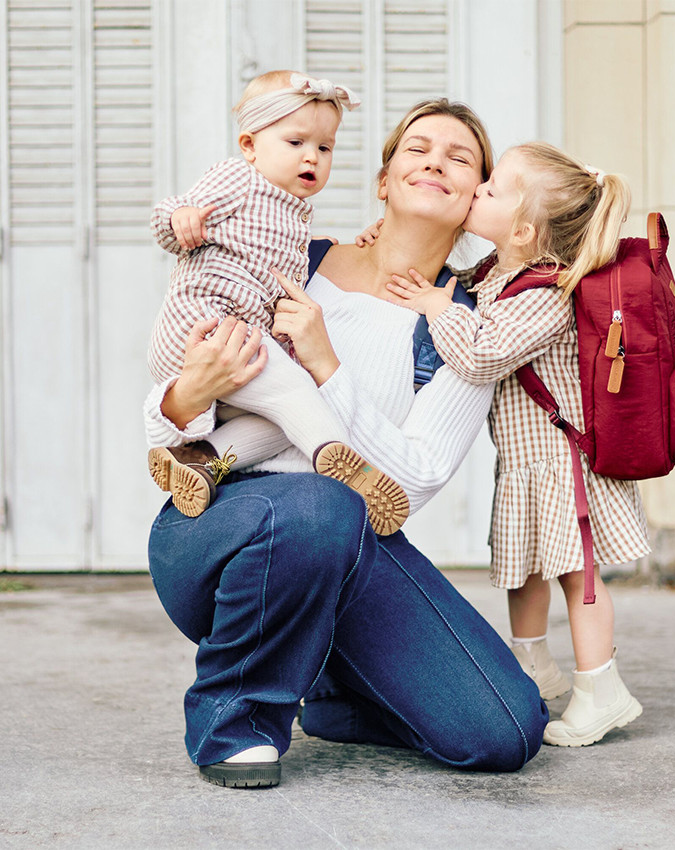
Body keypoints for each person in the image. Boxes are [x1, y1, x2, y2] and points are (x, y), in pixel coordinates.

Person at [144, 99, 549, 788]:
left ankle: (329, 684)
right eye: (417, 148)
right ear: (385, 179)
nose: (435, 162)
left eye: (460, 158)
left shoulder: (460, 327)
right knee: (317, 504)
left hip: (355, 542)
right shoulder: (289, 259)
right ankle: (233, 723)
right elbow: (161, 425)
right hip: (220, 530)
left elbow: (414, 482)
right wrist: (189, 392)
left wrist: (326, 364)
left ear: (476, 199)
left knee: (506, 731)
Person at [386, 142, 650, 747]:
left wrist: (433, 305)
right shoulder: (497, 274)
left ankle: (601, 689)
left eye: (493, 189)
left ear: (526, 230)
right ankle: (533, 663)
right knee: (522, 568)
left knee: (577, 578)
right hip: (526, 464)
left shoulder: (545, 295)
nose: (477, 188)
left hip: (566, 466)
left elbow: (480, 356)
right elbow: (463, 290)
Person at [146, 69, 408, 535]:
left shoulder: (292, 211)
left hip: (235, 338)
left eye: (324, 148)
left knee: (280, 419)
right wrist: (181, 218)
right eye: (296, 143)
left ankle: (200, 464)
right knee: (299, 394)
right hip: (209, 323)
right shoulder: (237, 179)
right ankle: (343, 465)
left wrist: (360, 239)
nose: (312, 156)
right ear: (250, 146)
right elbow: (169, 215)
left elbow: (284, 255)